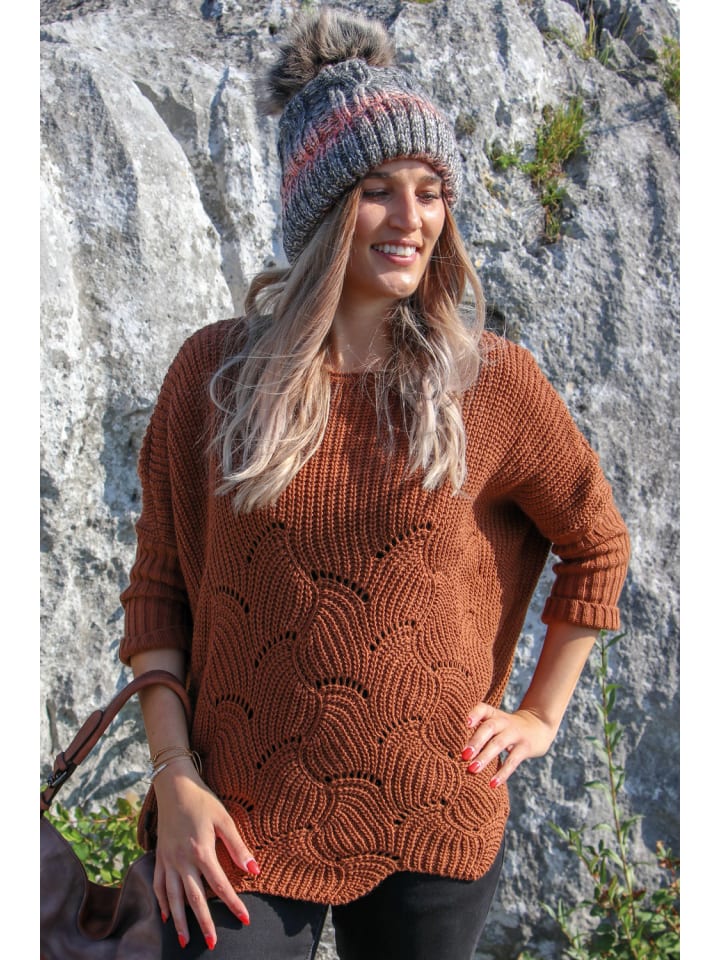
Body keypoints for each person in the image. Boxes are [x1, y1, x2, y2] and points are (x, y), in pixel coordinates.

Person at [119, 9, 630, 960]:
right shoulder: (215, 377)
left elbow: (597, 542)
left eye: (430, 192)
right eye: (378, 191)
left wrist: (540, 714)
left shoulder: (491, 383)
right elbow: (157, 595)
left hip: (433, 817)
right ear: (320, 210)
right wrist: (175, 778)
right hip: (235, 819)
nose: (412, 219)